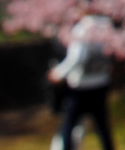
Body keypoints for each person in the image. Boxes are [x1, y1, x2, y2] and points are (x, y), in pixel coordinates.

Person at [48, 16, 115, 150]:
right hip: (101, 82)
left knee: (69, 124)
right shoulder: (107, 25)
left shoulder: (83, 28)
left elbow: (77, 58)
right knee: (102, 126)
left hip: (80, 86)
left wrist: (58, 73)